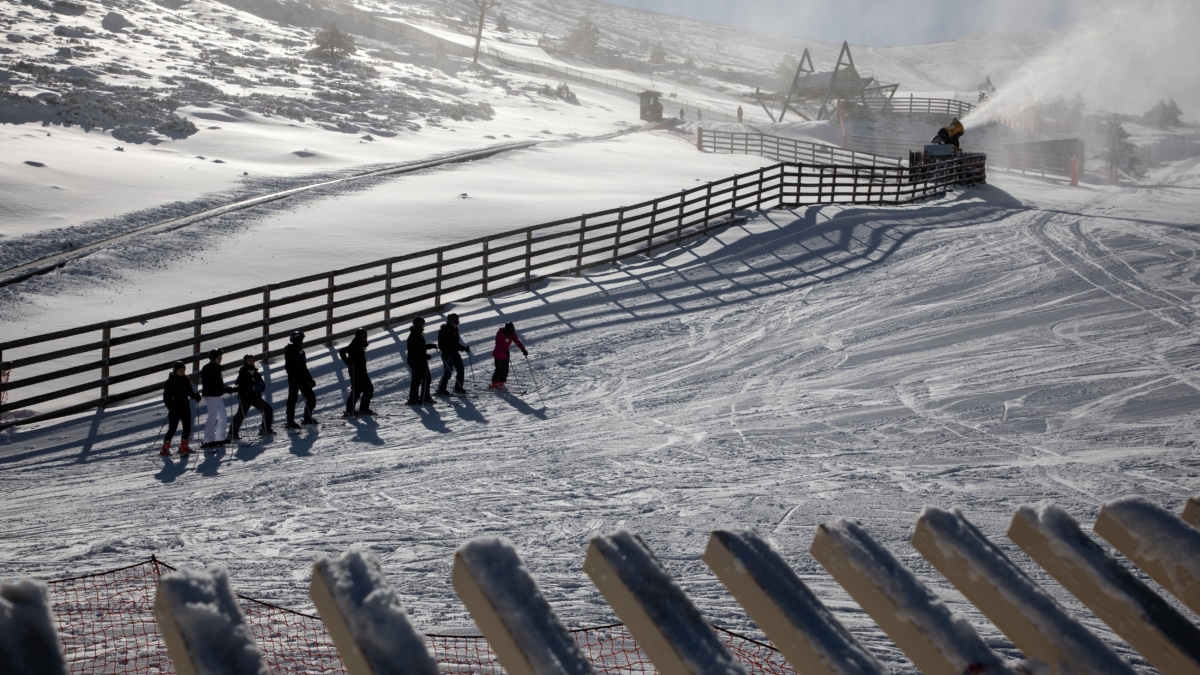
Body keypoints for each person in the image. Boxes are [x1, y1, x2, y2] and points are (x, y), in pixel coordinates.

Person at [229, 354, 274, 440]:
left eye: (252, 360)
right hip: (245, 398)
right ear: (245, 362)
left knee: (268, 409)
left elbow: (262, 384)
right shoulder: (242, 373)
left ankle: (264, 428)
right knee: (240, 415)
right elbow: (240, 386)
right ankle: (232, 433)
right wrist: (251, 388)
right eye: (249, 360)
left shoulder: (256, 373)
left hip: (255, 397)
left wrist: (261, 386)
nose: (251, 362)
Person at [161, 361, 201, 456]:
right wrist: (169, 405)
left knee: (187, 426)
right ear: (175, 371)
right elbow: (166, 396)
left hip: (185, 406)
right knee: (173, 428)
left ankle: (184, 446)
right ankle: (165, 447)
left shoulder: (185, 380)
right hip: (175, 408)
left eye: (183, 370)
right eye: (180, 370)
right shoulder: (170, 382)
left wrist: (195, 396)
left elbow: (190, 392)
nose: (182, 372)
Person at [200, 348, 236, 447]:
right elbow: (214, 385)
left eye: (221, 357)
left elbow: (219, 385)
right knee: (212, 416)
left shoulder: (216, 368)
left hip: (216, 395)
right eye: (218, 358)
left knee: (223, 415)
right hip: (211, 395)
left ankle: (220, 437)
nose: (220, 359)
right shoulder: (209, 368)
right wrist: (227, 389)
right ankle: (208, 440)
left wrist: (229, 388)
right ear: (212, 358)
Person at [284, 330, 318, 429]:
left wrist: (309, 379)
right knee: (292, 400)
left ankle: (308, 418)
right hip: (294, 380)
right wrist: (295, 378)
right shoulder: (290, 351)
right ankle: (290, 422)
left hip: (303, 379)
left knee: (311, 398)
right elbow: (288, 367)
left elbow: (304, 367)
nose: (302, 342)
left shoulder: (301, 352)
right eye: (300, 340)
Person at [339, 328, 374, 416]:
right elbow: (342, 351)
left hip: (361, 371)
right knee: (357, 390)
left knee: (367, 389)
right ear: (359, 337)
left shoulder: (359, 344)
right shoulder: (354, 345)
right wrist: (348, 363)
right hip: (356, 372)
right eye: (363, 336)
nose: (365, 338)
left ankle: (363, 409)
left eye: (366, 336)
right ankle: (350, 411)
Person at [405, 317, 438, 405]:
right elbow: (415, 350)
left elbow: (421, 347)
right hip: (416, 361)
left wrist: (430, 346)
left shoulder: (418, 334)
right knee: (417, 380)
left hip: (421, 361)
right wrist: (425, 355)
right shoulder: (414, 335)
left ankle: (425, 397)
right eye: (423, 324)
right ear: (419, 325)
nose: (423, 326)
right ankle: (414, 398)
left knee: (427, 379)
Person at [436, 313, 470, 395]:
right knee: (448, 371)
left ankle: (458, 387)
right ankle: (441, 389)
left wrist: (463, 348)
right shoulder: (444, 330)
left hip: (454, 353)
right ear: (451, 321)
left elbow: (456, 343)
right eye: (456, 322)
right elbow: (441, 345)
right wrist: (448, 349)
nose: (457, 324)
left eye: (458, 322)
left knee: (460, 369)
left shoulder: (455, 330)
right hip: (447, 354)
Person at [490, 322, 526, 391]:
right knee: (499, 369)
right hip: (498, 354)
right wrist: (504, 350)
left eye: (511, 332)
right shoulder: (500, 334)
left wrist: (523, 350)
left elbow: (517, 341)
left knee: (505, 369)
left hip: (506, 354)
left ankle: (501, 383)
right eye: (509, 332)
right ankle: (494, 384)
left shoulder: (512, 334)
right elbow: (498, 344)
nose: (510, 334)